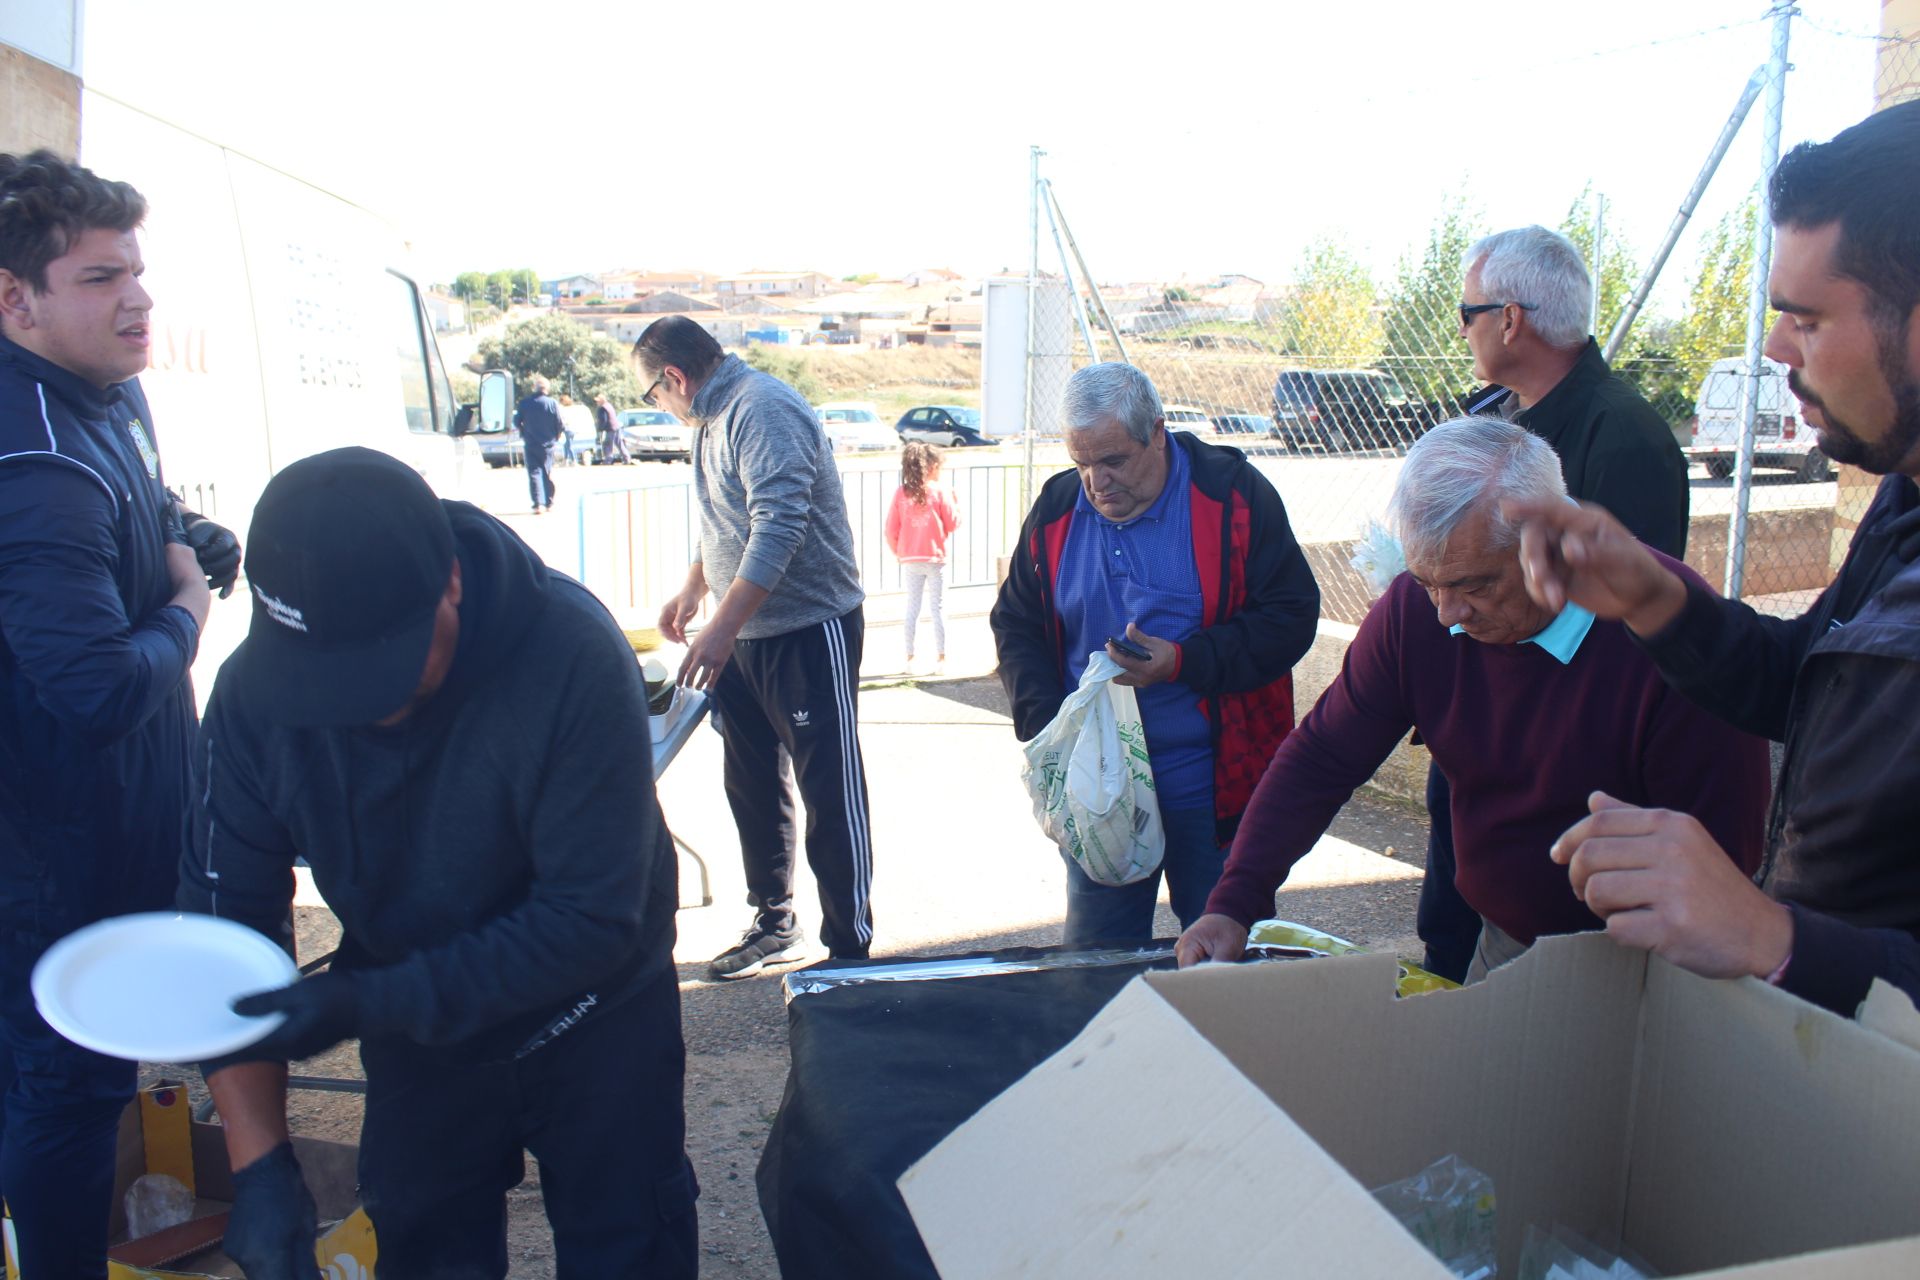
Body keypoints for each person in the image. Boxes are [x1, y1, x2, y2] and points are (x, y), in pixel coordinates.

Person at [179, 447, 696, 1277]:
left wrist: (360, 1001)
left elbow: (590, 918)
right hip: (412, 1017)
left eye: (379, 670)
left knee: (628, 1240)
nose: (357, 708)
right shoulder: (253, 701)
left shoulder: (569, 653)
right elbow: (224, 928)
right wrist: (261, 1165)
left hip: (597, 1008)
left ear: (449, 582)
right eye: (324, 682)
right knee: (421, 1246)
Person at [1512, 101, 1920, 1016]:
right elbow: (1803, 686)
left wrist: (1774, 937)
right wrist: (1656, 596)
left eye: (1808, 321)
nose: (1774, 349)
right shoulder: (1904, 503)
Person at [1174, 418, 1768, 976]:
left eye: (1474, 585)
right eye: (1428, 581)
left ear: (1549, 544)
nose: (1447, 614)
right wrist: (1235, 902)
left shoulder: (1672, 630)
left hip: (1650, 958)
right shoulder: (1415, 612)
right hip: (1504, 938)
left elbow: (1726, 851)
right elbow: (1323, 755)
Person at [0, 150, 239, 1278]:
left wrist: (188, 531)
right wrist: (187, 606)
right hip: (49, 845)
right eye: (100, 277)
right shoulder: (33, 463)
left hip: (115, 822)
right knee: (64, 1086)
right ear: (16, 299)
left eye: (136, 270)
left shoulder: (100, 391)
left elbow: (136, 507)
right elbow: (93, 686)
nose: (137, 297)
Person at [1417, 225, 1695, 982]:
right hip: (1483, 734)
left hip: (1560, 775)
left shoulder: (1621, 438)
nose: (1463, 330)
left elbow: (1630, 635)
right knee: (1454, 934)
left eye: (1467, 312)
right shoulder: (1497, 421)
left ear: (1510, 319)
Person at [992, 362, 1320, 947]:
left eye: (1114, 461)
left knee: (1223, 966)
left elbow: (1290, 616)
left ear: (1159, 432)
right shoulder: (1058, 508)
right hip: (1098, 795)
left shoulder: (1233, 496)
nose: (1097, 483)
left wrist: (1185, 662)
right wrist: (1050, 730)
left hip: (1213, 789)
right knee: (1096, 966)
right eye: (1082, 463)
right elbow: (1016, 621)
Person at [642, 316, 874, 980]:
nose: (658, 405)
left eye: (654, 393)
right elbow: (727, 517)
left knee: (830, 786)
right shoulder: (713, 418)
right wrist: (695, 590)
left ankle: (850, 949)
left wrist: (719, 626)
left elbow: (779, 525)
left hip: (806, 628)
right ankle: (775, 921)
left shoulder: (761, 408)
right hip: (742, 635)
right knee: (750, 781)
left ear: (676, 377)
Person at [885, 441, 959, 674]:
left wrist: (900, 551)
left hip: (910, 558)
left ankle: (910, 658)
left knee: (912, 608)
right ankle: (942, 658)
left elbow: (890, 529)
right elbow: (953, 522)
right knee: (937, 608)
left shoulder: (901, 493)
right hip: (935, 558)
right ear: (932, 466)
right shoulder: (939, 491)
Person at [516, 374, 563, 512]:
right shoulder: (552, 403)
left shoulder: (525, 403)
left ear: (535, 388)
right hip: (548, 444)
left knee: (534, 473)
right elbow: (559, 423)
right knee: (546, 472)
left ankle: (538, 503)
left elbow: (516, 421)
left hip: (531, 443)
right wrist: (556, 436)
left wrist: (524, 432)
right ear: (547, 389)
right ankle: (548, 501)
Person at [558, 392, 592, 465]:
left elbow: (563, 420)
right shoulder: (573, 408)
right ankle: (566, 460)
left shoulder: (564, 409)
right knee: (566, 445)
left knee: (569, 445)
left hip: (568, 429)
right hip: (573, 429)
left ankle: (573, 460)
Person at [596, 392, 630, 464]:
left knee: (607, 444)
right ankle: (626, 458)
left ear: (601, 401)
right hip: (616, 427)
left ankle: (608, 460)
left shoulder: (602, 408)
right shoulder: (609, 405)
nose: (597, 402)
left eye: (598, 401)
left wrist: (600, 429)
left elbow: (603, 420)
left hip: (610, 428)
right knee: (619, 444)